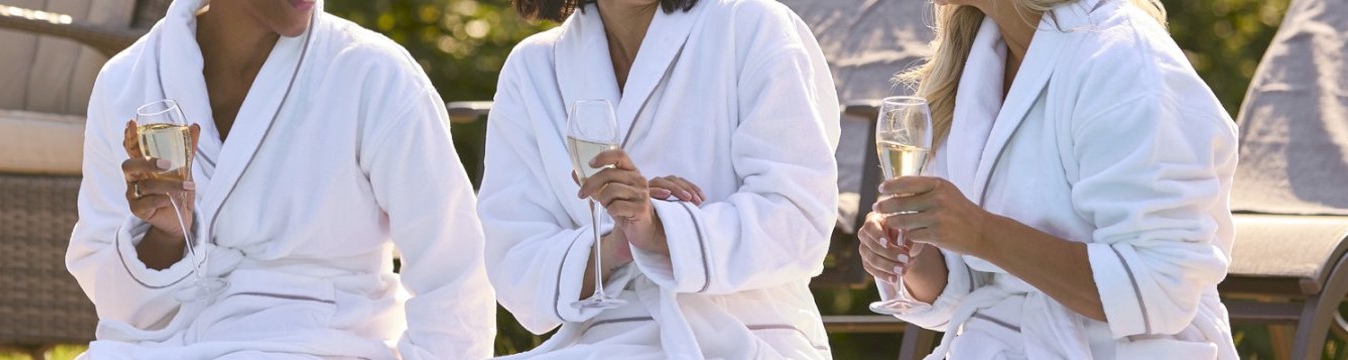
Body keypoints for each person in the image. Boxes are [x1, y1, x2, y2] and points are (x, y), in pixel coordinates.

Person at [64, 0, 495, 358]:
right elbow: (113, 300)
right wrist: (168, 234)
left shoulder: (373, 75)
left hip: (323, 345)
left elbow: (453, 267)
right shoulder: (127, 81)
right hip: (159, 347)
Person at [855, 0, 1240, 358]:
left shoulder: (1124, 59)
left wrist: (981, 233)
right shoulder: (976, 59)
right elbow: (973, 289)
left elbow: (1162, 288)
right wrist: (916, 255)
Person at [478, 0, 841, 357]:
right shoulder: (533, 68)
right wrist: (616, 245)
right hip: (599, 342)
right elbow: (515, 265)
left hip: (748, 334)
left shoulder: (753, 25)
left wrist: (661, 231)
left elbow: (798, 221)